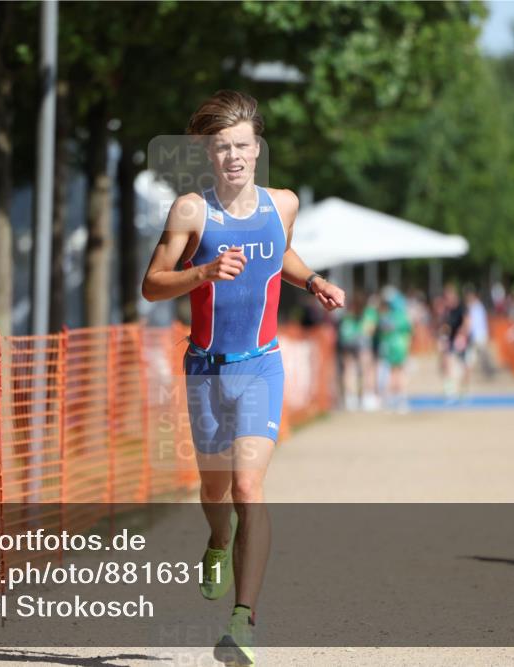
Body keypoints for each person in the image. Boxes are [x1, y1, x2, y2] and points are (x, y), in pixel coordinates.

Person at [141, 90, 346, 664]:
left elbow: (281, 254)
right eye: (222, 147)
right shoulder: (191, 211)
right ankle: (217, 540)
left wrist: (314, 282)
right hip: (205, 368)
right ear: (210, 154)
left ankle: (243, 621)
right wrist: (202, 271)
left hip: (261, 364)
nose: (234, 156)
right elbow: (153, 283)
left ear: (258, 149)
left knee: (248, 488)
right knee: (213, 492)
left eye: (243, 145)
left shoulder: (282, 204)